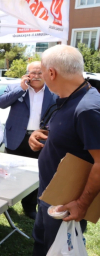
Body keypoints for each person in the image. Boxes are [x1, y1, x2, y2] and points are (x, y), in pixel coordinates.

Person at [28, 45, 100, 255]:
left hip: (66, 202)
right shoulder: (71, 98)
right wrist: (40, 136)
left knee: (57, 250)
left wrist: (81, 204)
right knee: (42, 245)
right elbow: (73, 137)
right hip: (49, 194)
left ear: (51, 73)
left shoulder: (88, 108)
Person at [0, 61, 57, 220]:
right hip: (16, 138)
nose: (36, 76)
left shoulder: (53, 91)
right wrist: (21, 89)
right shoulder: (16, 88)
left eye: (40, 73)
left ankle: (29, 207)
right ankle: (6, 205)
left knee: (36, 175)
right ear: (27, 75)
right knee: (9, 174)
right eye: (33, 73)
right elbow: (1, 103)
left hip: (40, 139)